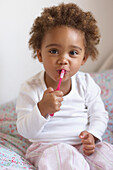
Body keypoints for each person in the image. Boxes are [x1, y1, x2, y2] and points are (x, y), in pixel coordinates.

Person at [16, 3, 113, 170]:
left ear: (83, 59)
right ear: (40, 54)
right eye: (54, 51)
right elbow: (25, 131)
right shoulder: (30, 88)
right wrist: (42, 108)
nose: (63, 59)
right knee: (62, 157)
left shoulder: (86, 83)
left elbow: (99, 115)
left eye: (73, 53)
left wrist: (93, 135)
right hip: (47, 148)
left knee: (106, 154)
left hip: (82, 147)